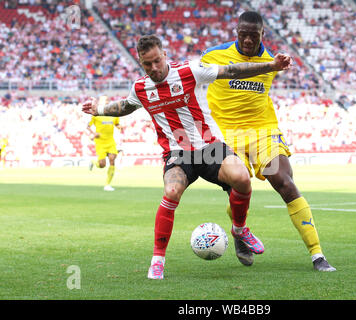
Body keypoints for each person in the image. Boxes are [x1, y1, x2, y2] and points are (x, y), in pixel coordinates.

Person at [82, 35, 292, 279]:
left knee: (242, 178)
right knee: (171, 192)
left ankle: (239, 229)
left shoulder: (189, 71)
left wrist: (271, 66)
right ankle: (157, 260)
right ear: (140, 62)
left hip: (210, 147)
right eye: (147, 64)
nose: (153, 68)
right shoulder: (140, 87)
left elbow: (231, 70)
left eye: (157, 61)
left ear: (164, 55)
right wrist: (98, 109)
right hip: (178, 152)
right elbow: (127, 106)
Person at [201, 11, 336, 271]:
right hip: (226, 136)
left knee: (284, 182)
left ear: (263, 34)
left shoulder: (273, 60)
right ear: (236, 33)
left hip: (263, 132)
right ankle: (239, 232)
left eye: (254, 35)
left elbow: (277, 64)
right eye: (243, 35)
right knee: (239, 190)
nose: (248, 40)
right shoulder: (212, 56)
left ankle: (317, 255)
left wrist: (279, 62)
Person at [86, 97, 122, 192]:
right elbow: (88, 126)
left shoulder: (113, 114)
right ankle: (93, 162)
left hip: (110, 141)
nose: (106, 103)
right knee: (102, 165)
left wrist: (120, 127)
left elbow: (117, 124)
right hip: (100, 142)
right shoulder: (96, 115)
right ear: (100, 103)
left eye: (107, 101)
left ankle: (107, 184)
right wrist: (94, 134)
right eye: (104, 101)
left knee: (112, 159)